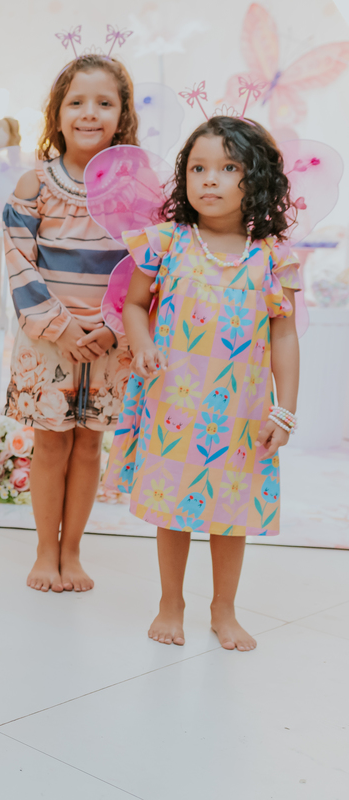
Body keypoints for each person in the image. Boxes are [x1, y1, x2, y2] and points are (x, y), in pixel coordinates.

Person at [109, 117, 300, 651]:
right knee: (173, 508)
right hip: (173, 402)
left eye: (227, 167)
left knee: (230, 513)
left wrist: (283, 411)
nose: (209, 179)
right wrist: (142, 343)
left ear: (256, 178)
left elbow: (284, 338)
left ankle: (224, 608)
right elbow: (134, 306)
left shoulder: (273, 257)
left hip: (240, 411)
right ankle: (172, 602)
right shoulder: (167, 242)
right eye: (198, 168)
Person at [2, 54, 140, 592]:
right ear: (56, 115)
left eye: (104, 103)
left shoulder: (137, 192)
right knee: (51, 444)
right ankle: (44, 551)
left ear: (122, 115)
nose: (90, 113)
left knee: (89, 446)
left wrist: (112, 328)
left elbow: (144, 268)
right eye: (76, 102)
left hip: (109, 342)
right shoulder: (35, 185)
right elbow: (19, 261)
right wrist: (63, 329)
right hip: (49, 343)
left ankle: (73, 551)